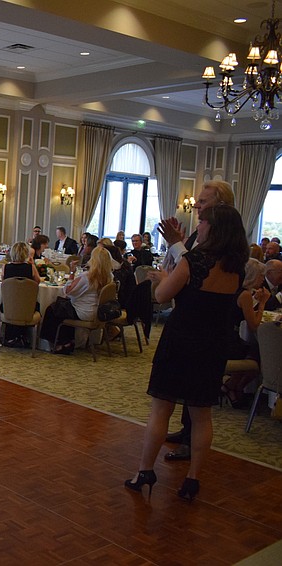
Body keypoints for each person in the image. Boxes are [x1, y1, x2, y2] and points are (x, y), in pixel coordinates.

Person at [125, 205, 248, 502]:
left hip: (181, 340)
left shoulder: (194, 261)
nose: (200, 225)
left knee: (161, 408)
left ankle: (145, 471)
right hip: (213, 345)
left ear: (214, 228)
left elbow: (161, 296)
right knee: (202, 414)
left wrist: (165, 274)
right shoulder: (237, 267)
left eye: (203, 221)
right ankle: (193, 479)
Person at [156, 179, 235, 461]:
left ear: (220, 204)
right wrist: (175, 245)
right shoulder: (199, 235)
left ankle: (191, 441)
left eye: (203, 201)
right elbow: (179, 265)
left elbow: (198, 271)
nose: (197, 206)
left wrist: (178, 246)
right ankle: (185, 430)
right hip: (186, 320)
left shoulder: (226, 243)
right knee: (184, 391)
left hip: (204, 328)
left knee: (195, 394)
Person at [40, 246, 113, 355]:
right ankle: (68, 340)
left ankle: (59, 343)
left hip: (83, 312)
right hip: (98, 312)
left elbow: (67, 291)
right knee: (63, 307)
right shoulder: (109, 277)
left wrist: (72, 273)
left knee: (52, 309)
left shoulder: (88, 277)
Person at [220, 258, 270, 407]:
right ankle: (233, 386)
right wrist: (262, 304)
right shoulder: (245, 295)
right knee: (261, 355)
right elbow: (254, 325)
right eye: (261, 276)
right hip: (229, 342)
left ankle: (233, 387)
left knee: (255, 350)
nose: (262, 280)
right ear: (254, 276)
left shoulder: (232, 288)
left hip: (222, 336)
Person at [0, 241, 40, 347]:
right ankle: (25, 336)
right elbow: (37, 281)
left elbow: (4, 283)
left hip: (9, 306)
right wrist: (32, 264)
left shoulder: (5, 268)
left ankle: (11, 336)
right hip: (27, 307)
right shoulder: (30, 268)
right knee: (35, 305)